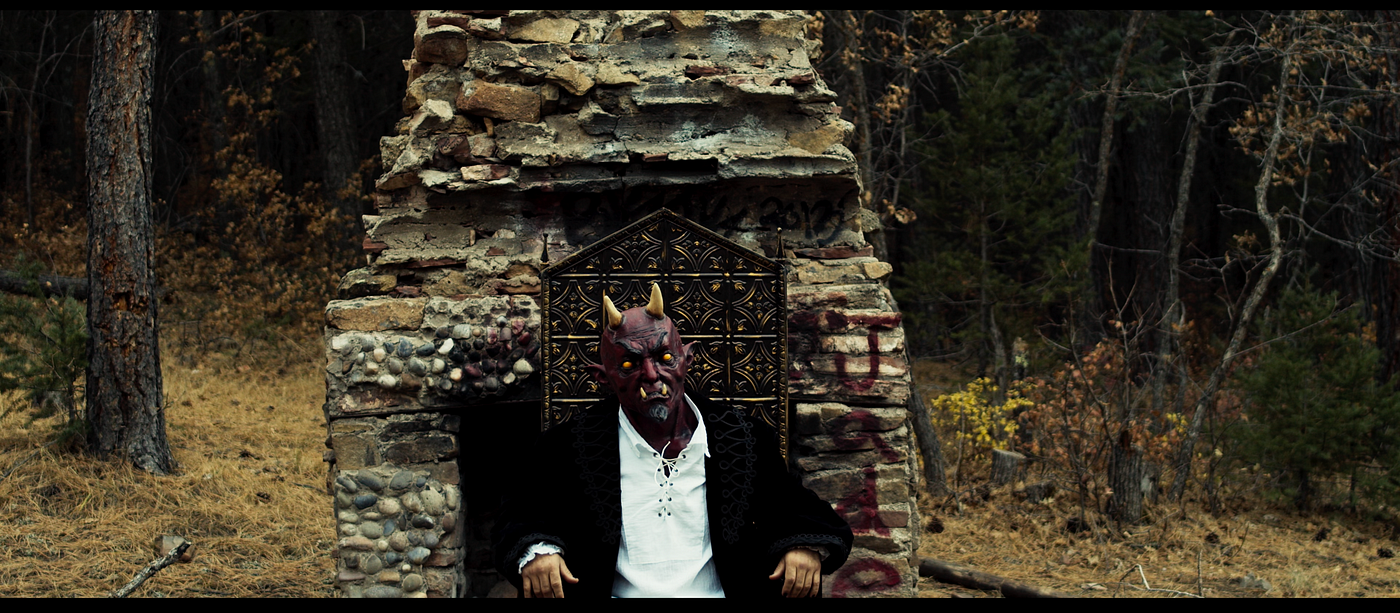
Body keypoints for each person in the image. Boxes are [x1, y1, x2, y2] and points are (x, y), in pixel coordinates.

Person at [494, 283, 852, 598]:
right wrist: (538, 550)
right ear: (604, 377)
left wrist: (802, 545)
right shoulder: (567, 445)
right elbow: (521, 513)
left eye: (664, 357)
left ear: (686, 359)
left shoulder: (742, 436)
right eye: (630, 365)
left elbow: (796, 507)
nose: (652, 375)